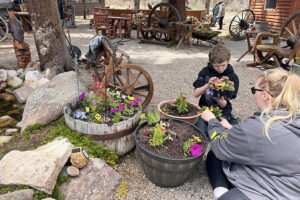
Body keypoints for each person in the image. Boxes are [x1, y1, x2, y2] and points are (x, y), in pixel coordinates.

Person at [201, 69, 300, 199]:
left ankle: (221, 192)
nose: (254, 94)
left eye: (254, 90)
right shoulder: (292, 117)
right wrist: (232, 128)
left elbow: (220, 146)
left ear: (265, 95)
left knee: (215, 155)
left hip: (273, 191)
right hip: (292, 185)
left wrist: (212, 120)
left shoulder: (261, 126)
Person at [193, 44, 239, 136]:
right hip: (204, 109)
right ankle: (231, 122)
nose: (221, 69)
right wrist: (208, 85)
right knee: (202, 134)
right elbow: (196, 94)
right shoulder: (205, 72)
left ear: (228, 61)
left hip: (222, 111)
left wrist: (220, 99)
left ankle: (231, 120)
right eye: (217, 66)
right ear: (211, 63)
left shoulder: (233, 77)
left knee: (217, 135)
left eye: (223, 65)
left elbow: (226, 102)